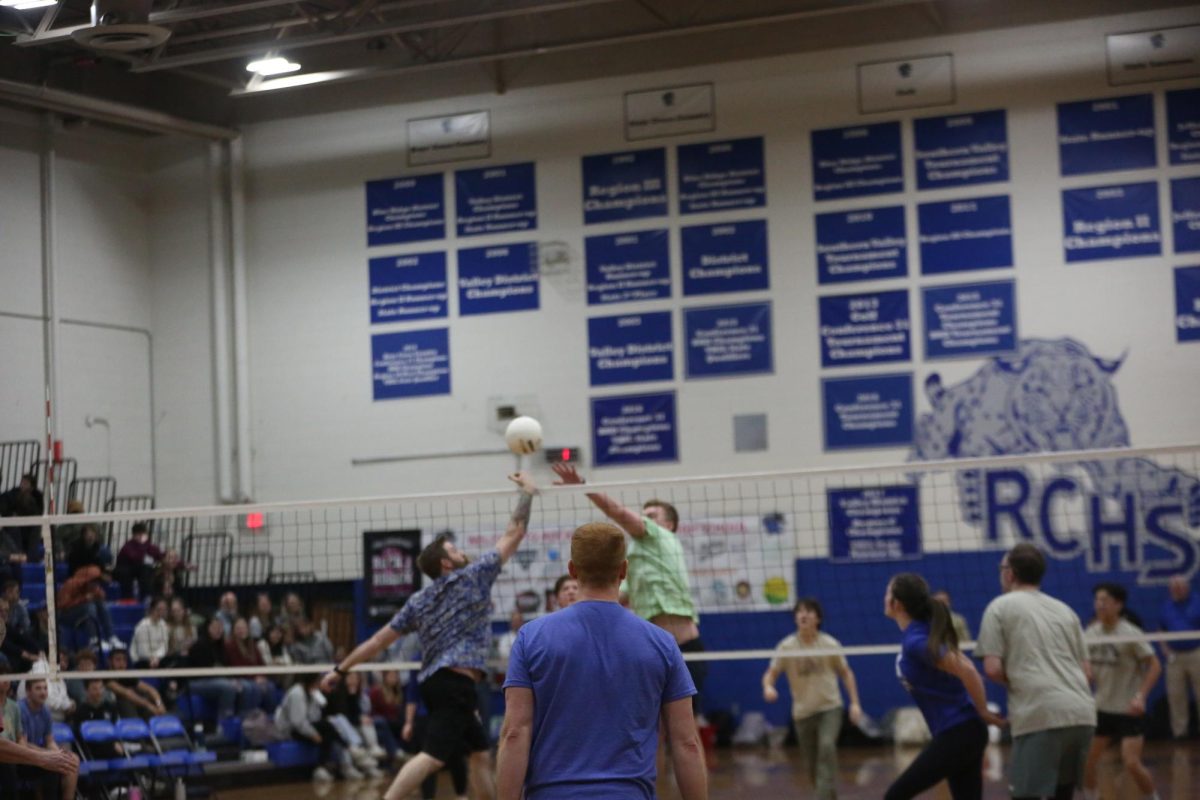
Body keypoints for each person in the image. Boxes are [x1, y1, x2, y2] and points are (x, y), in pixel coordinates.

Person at [320, 471, 539, 800]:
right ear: (447, 565)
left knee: (480, 753)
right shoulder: (472, 577)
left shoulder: (418, 600)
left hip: (439, 683)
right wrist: (527, 493)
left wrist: (340, 670)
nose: (461, 551)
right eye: (454, 550)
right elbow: (515, 532)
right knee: (432, 756)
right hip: (454, 683)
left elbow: (377, 642)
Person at [497, 521, 706, 800]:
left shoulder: (531, 637)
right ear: (623, 570)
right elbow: (687, 743)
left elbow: (514, 733)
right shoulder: (662, 643)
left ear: (572, 569)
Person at [550, 463, 707, 712]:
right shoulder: (637, 556)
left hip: (684, 648)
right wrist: (576, 605)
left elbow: (619, 514)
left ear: (669, 525)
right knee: (654, 728)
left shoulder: (660, 536)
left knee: (685, 729)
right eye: (643, 514)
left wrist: (583, 486)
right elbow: (618, 596)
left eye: (652, 515)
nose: (645, 518)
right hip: (652, 649)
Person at [976, 543, 1095, 800]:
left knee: (1025, 796)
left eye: (1002, 568)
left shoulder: (999, 606)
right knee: (1062, 794)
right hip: (1082, 713)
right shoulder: (1065, 610)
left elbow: (992, 669)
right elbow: (1087, 672)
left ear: (1010, 573)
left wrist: (1024, 680)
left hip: (1041, 714)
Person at [883, 573, 1005, 800]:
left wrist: (983, 711)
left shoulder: (916, 641)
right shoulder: (922, 631)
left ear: (896, 603)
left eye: (888, 592)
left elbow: (968, 670)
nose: (885, 596)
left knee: (895, 796)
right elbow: (964, 666)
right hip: (964, 731)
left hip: (958, 732)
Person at [761, 597, 863, 800]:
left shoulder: (829, 643)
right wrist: (768, 687)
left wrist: (855, 703)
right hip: (802, 712)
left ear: (818, 618)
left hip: (830, 707)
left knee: (826, 746)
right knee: (811, 765)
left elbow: (846, 673)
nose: (803, 614)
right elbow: (770, 673)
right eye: (799, 611)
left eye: (809, 611)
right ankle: (827, 795)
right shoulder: (787, 646)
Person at [1082, 583, 1162, 800]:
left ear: (1118, 604)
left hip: (1128, 709)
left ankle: (1152, 797)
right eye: (1097, 600)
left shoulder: (1130, 633)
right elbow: (1083, 663)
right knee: (1086, 762)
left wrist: (1141, 696)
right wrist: (1085, 670)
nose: (1099, 604)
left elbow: (1154, 665)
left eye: (1104, 600)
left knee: (1131, 763)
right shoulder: (1090, 632)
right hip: (1102, 708)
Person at [275, 672, 346, 782]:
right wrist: (313, 734)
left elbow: (315, 717)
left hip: (304, 726)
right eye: (318, 681)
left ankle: (324, 767)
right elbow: (297, 722)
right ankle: (347, 751)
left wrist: (316, 700)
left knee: (327, 728)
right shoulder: (296, 693)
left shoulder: (312, 692)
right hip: (290, 730)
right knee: (327, 729)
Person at [19, 677, 78, 800]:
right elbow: (22, 745)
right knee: (52, 765)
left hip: (37, 754)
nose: (43, 692)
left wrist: (59, 753)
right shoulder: (20, 709)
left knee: (73, 759)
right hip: (21, 757)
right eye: (38, 688)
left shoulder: (45, 710)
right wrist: (49, 754)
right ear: (28, 691)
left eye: (45, 688)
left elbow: (50, 741)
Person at [1159, 575, 1200, 739]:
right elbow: (1161, 630)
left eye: (1180, 587)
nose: (1177, 590)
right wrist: (1165, 649)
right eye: (1174, 587)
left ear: (1187, 587)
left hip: (1196, 652)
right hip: (1175, 656)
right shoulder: (1166, 606)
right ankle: (1180, 733)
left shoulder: (1197, 601)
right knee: (1176, 695)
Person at [55, 564, 122, 652]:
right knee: (89, 606)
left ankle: (111, 637)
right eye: (94, 581)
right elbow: (62, 605)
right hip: (65, 616)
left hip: (83, 616)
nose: (96, 584)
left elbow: (102, 597)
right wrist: (83, 599)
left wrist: (99, 595)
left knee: (101, 604)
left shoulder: (94, 587)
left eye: (97, 581)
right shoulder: (70, 584)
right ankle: (94, 640)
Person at [105, 648, 166, 719]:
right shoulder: (106, 676)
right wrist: (149, 706)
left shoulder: (126, 675)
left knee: (146, 697)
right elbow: (126, 693)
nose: (122, 663)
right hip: (114, 709)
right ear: (109, 662)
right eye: (118, 660)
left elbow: (150, 689)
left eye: (124, 660)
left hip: (135, 706)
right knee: (125, 702)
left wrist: (159, 704)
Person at [113, 522, 164, 600]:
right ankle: (128, 598)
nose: (141, 536)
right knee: (128, 573)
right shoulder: (128, 546)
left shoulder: (149, 546)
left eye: (143, 534)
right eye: (138, 534)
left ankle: (147, 597)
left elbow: (160, 556)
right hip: (125, 570)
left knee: (146, 571)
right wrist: (148, 558)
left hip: (140, 570)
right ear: (133, 535)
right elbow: (135, 557)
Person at [130, 596, 171, 668]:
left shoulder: (163, 624)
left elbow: (164, 647)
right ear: (152, 609)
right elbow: (142, 652)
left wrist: (157, 658)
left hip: (158, 659)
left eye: (164, 610)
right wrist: (152, 659)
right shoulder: (142, 626)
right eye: (159, 609)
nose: (161, 612)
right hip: (142, 660)